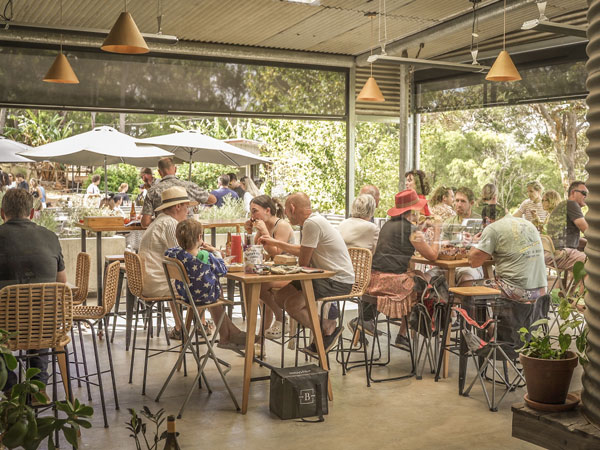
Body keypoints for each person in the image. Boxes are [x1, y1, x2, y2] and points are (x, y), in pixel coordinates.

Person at [258, 193, 355, 354]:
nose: (287, 216)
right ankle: (313, 322)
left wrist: (277, 247)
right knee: (280, 297)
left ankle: (326, 327)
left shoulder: (311, 224)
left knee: (291, 305)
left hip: (337, 280)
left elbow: (303, 261)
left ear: (292, 208)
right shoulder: (315, 221)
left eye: (287, 212)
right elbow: (304, 251)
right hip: (323, 275)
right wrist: (275, 242)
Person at [354, 189, 441, 348]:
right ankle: (405, 333)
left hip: (372, 280)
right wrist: (437, 233)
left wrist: (420, 229)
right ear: (413, 209)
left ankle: (397, 332)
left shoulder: (388, 224)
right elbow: (433, 256)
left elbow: (405, 238)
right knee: (422, 284)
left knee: (419, 274)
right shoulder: (411, 230)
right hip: (391, 284)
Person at [0, 189, 66, 391]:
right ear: (31, 213)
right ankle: (37, 386)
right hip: (45, 326)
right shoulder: (50, 237)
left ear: (2, 213)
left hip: (4, 328)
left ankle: (10, 388)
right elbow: (61, 285)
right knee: (41, 316)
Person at [165, 219, 246, 351]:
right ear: (199, 237)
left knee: (212, 282)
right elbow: (222, 270)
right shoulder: (206, 256)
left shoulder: (175, 255)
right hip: (204, 297)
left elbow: (172, 250)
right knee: (217, 288)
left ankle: (229, 334)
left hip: (186, 295)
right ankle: (229, 335)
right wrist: (215, 251)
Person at [139, 186, 200, 340]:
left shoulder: (159, 221)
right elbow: (185, 258)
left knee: (178, 276)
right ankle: (202, 326)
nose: (188, 211)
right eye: (186, 207)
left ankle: (181, 327)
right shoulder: (170, 224)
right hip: (157, 284)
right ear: (177, 206)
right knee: (204, 283)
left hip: (150, 281)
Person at [245, 195, 295, 340]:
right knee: (258, 294)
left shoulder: (282, 225)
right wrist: (250, 232)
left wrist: (265, 232)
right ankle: (259, 343)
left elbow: (276, 251)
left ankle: (280, 316)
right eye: (251, 212)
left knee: (259, 286)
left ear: (267, 210)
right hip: (272, 271)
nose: (252, 215)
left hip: (289, 272)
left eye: (255, 211)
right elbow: (254, 250)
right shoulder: (263, 225)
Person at [469, 215, 547, 302]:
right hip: (541, 290)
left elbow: (473, 262)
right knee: (494, 281)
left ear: (487, 219)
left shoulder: (493, 228)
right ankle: (501, 314)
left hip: (519, 290)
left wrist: (474, 243)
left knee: (468, 286)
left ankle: (477, 316)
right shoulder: (527, 223)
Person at [141, 157, 216, 227]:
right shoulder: (189, 186)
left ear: (159, 172)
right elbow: (213, 200)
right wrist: (196, 201)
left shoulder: (152, 191)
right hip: (189, 232)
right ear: (175, 169)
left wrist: (160, 220)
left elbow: (145, 223)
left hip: (164, 233)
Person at [441, 186, 483, 286]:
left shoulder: (480, 222)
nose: (458, 204)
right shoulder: (449, 222)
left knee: (466, 279)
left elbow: (483, 251)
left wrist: (472, 243)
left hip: (470, 266)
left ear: (471, 203)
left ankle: (457, 301)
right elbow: (443, 246)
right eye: (457, 200)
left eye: (463, 201)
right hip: (448, 265)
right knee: (425, 277)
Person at [545, 181, 588, 269]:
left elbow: (565, 238)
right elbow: (588, 231)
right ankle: (581, 283)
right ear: (573, 192)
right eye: (584, 193)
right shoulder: (572, 204)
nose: (586, 196)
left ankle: (576, 282)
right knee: (594, 263)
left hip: (549, 255)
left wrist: (586, 242)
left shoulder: (563, 205)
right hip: (561, 255)